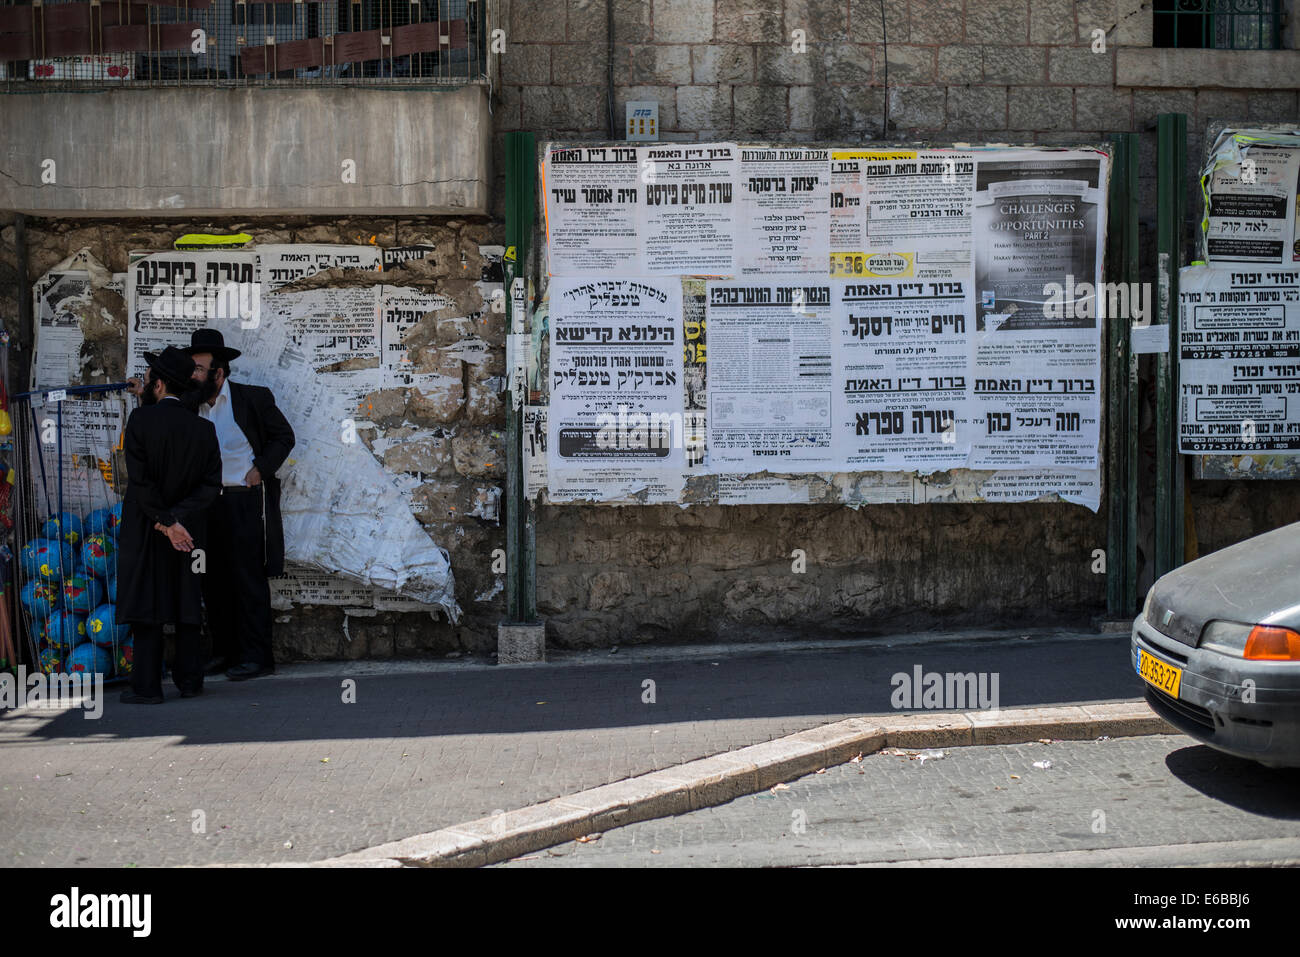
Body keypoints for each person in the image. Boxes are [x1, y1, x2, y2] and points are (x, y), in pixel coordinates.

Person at [184, 329, 296, 681]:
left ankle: (257, 657)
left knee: (247, 580)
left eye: (200, 369)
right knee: (212, 582)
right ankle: (224, 653)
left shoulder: (252, 399)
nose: (194, 376)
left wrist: (260, 469)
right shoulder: (189, 404)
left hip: (244, 503)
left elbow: (284, 437)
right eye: (192, 369)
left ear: (220, 372)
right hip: (206, 506)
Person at [117, 347, 222, 704]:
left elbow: (141, 483)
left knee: (148, 604)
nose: (145, 384)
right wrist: (179, 521)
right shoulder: (204, 429)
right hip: (191, 534)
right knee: (188, 600)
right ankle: (190, 681)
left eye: (148, 380)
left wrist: (164, 521)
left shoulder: (141, 422)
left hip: (148, 529)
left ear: (159, 385)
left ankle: (145, 687)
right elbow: (211, 486)